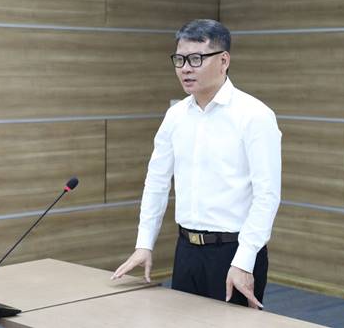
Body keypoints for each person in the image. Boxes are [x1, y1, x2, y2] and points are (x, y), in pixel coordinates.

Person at [111, 19, 281, 309]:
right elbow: (157, 182)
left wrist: (244, 260)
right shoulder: (175, 116)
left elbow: (267, 196)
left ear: (224, 61)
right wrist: (144, 243)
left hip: (233, 253)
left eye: (196, 59)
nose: (186, 68)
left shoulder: (255, 116)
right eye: (180, 60)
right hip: (186, 251)